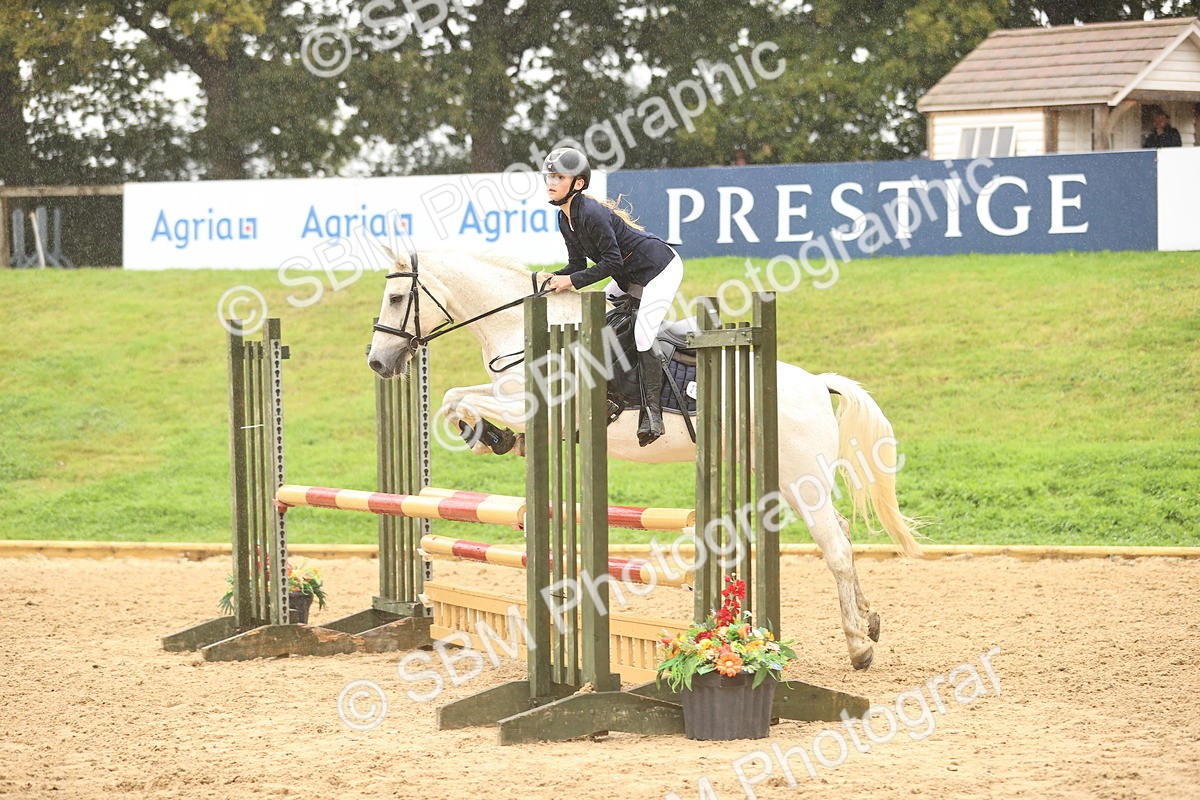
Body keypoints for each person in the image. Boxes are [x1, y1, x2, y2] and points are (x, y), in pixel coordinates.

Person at [538, 146, 683, 446]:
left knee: (643, 334)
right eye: (548, 176)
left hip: (659, 269)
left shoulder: (591, 213)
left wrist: (572, 281)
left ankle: (652, 414)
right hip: (628, 274)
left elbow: (611, 263)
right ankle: (610, 397)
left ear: (577, 183)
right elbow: (577, 266)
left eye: (558, 177)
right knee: (604, 320)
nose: (550, 182)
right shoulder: (566, 219)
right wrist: (552, 277)